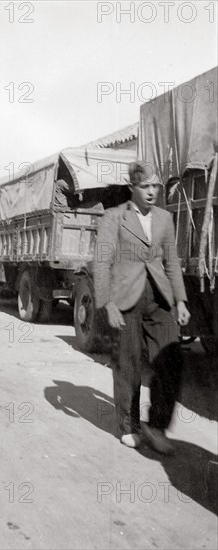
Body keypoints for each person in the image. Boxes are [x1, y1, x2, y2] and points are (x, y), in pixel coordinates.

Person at [93, 161, 190, 455]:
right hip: (125, 297)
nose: (151, 192)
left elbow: (172, 262)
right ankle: (130, 427)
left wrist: (181, 300)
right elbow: (102, 262)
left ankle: (156, 425)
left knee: (170, 360)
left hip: (159, 296)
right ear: (132, 188)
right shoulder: (114, 217)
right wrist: (107, 303)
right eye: (145, 187)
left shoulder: (164, 217)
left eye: (155, 187)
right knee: (128, 363)